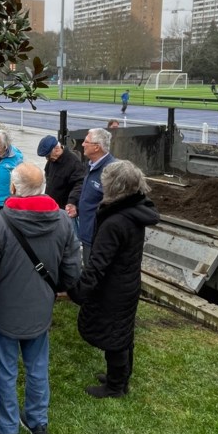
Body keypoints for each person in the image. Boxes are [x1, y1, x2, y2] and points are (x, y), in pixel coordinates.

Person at [0, 163, 81, 434]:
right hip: (40, 309)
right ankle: (37, 422)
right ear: (42, 186)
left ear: (13, 187)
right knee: (37, 367)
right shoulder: (61, 221)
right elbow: (72, 269)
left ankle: (8, 430)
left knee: (6, 371)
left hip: (4, 312)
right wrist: (59, 288)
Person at [69, 160, 160, 398]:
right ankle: (118, 377)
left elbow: (98, 265)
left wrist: (78, 292)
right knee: (123, 331)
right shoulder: (134, 211)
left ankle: (116, 386)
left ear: (114, 187)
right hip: (127, 282)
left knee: (115, 336)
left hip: (114, 288)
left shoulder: (116, 221)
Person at [68, 128, 116, 264]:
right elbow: (91, 197)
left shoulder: (111, 171)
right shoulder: (91, 166)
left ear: (96, 147)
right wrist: (77, 207)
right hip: (87, 234)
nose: (82, 144)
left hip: (98, 238)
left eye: (86, 142)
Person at [36, 135, 84, 211]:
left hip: (64, 209)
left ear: (57, 149)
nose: (47, 159)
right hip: (51, 206)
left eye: (48, 156)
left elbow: (79, 184)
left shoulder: (74, 163)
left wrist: (72, 202)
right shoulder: (52, 161)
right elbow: (48, 178)